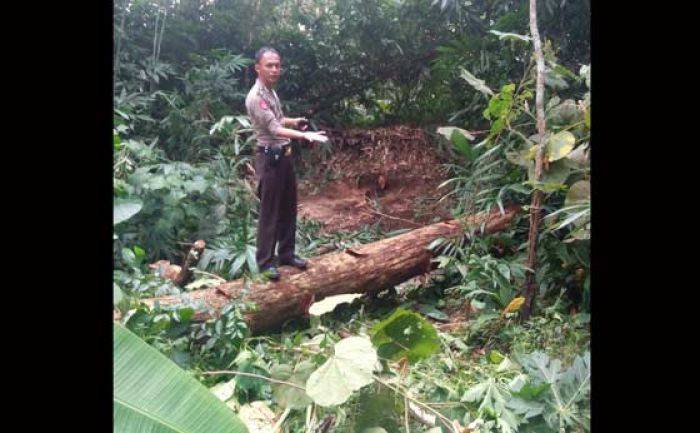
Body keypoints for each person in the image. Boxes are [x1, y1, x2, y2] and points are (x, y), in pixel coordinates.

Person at [245, 46, 328, 281]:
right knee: (269, 212)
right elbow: (273, 128)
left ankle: (287, 254)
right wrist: (305, 136)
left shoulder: (271, 92)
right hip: (269, 159)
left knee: (289, 207)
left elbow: (278, 119)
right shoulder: (256, 97)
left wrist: (296, 122)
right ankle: (264, 263)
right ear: (258, 68)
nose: (274, 69)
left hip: (284, 156)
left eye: (277, 65)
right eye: (269, 65)